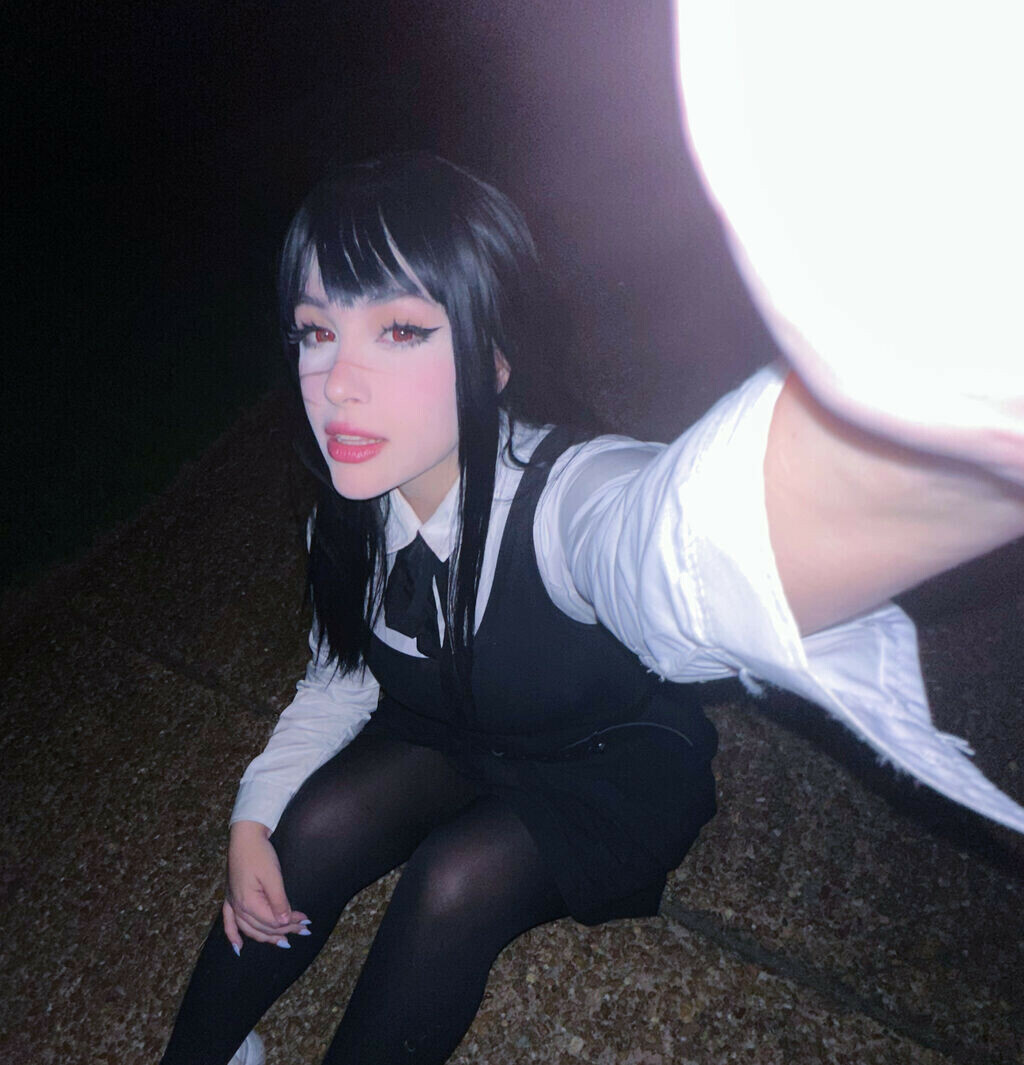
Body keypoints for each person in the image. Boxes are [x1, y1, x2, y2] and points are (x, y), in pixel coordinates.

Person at [156, 151, 1023, 1065]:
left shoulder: (568, 500)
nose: (336, 381)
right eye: (316, 330)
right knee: (312, 827)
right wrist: (251, 818)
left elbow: (669, 545)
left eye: (400, 329)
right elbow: (337, 680)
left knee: (453, 880)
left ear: (494, 358)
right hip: (455, 734)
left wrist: (939, 433)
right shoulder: (348, 514)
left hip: (602, 764)